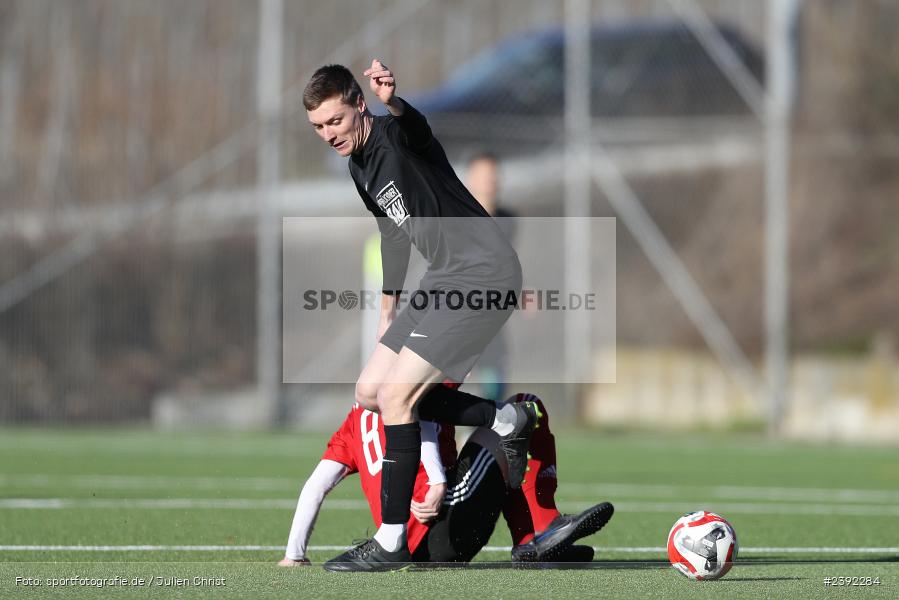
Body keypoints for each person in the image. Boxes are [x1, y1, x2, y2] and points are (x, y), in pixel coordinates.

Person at [303, 60, 537, 571]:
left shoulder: (394, 133)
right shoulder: (358, 166)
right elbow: (392, 232)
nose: (329, 134)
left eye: (335, 121)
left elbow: (419, 130)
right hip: (443, 276)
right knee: (368, 390)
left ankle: (389, 541)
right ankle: (501, 418)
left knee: (396, 396)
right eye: (319, 127)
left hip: (481, 270)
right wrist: (388, 311)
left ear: (359, 105)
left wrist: (395, 101)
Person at [278, 393, 614, 568]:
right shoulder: (410, 388)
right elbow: (420, 422)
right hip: (443, 522)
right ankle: (541, 529)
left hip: (403, 550)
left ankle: (533, 543)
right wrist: (436, 481)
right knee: (524, 409)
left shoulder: (351, 424)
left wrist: (294, 554)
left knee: (505, 442)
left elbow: (315, 487)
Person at [465, 152, 517, 402]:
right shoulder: (456, 216)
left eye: (493, 175)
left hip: (493, 309)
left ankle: (486, 429)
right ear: (470, 179)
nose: (489, 181)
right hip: (460, 306)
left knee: (495, 379)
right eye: (483, 176)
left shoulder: (508, 219)